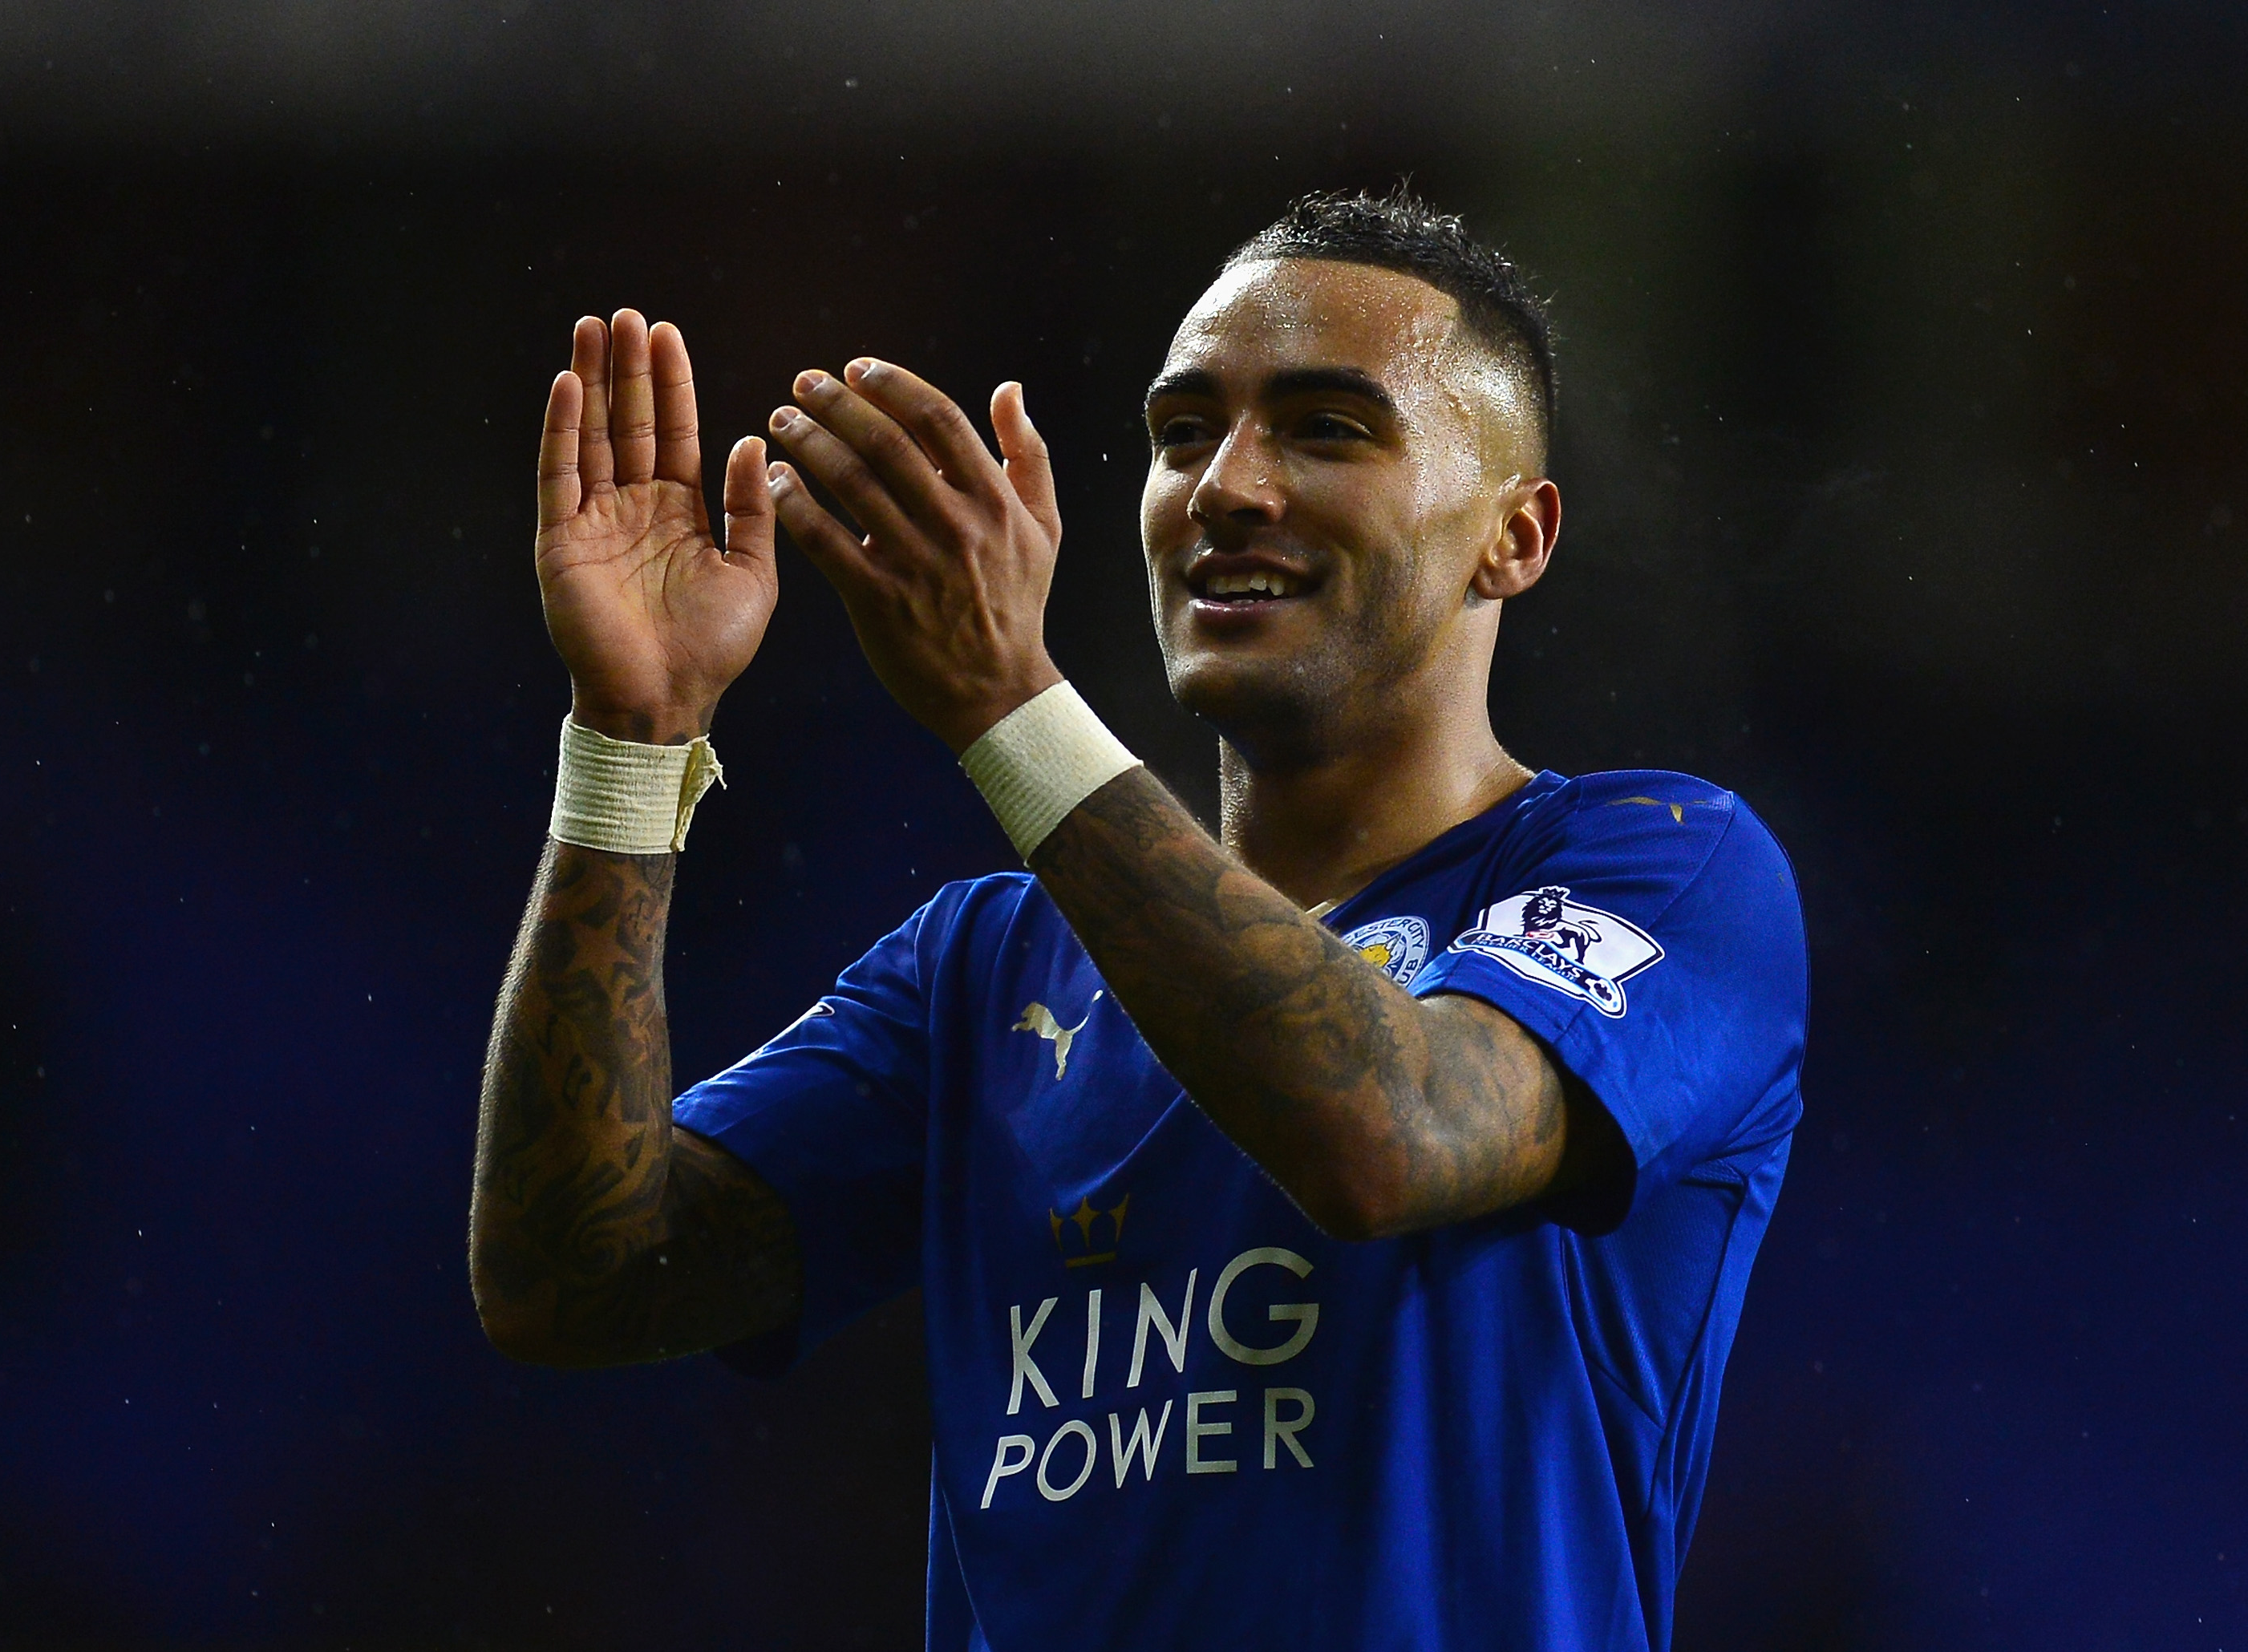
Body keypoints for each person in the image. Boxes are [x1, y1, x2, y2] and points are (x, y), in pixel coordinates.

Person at [468, 188, 1807, 1652]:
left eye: (1326, 428)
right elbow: (575, 1282)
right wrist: (631, 741)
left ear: (1516, 537)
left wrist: (1009, 711)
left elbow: (1392, 1134)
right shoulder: (984, 971)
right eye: (1184, 433)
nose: (1224, 485)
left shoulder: (1661, 869)